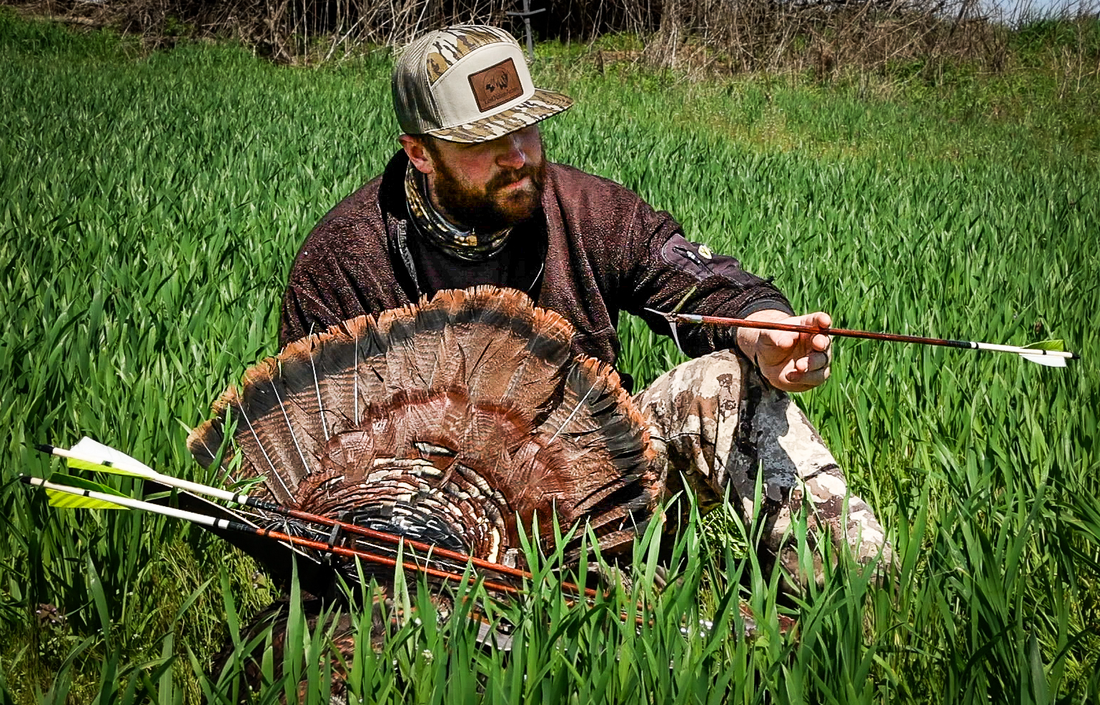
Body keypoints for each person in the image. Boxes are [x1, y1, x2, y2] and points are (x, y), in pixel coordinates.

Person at [279, 25, 889, 590]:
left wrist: (763, 329)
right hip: (429, 529)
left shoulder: (584, 209)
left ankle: (856, 600)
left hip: (595, 484)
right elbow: (313, 466)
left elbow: (695, 281)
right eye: (488, 140)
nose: (519, 155)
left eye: (527, 127)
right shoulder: (345, 260)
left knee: (728, 381)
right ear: (419, 153)